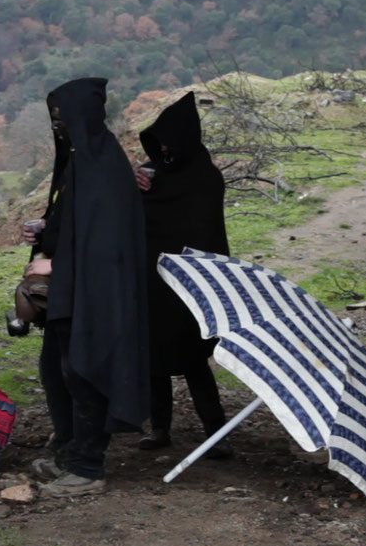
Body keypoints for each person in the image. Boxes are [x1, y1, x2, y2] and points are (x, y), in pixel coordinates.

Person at [22, 78, 149, 497]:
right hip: (71, 291)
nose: (58, 128)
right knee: (57, 372)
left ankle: (87, 465)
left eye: (63, 119)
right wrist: (47, 228)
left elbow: (106, 241)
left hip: (94, 294)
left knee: (83, 371)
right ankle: (68, 451)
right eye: (54, 120)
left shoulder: (104, 168)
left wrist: (56, 262)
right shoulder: (81, 162)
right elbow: (79, 221)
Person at [135, 92, 232, 457]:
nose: (162, 149)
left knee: (194, 362)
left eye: (167, 141)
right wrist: (138, 188)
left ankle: (217, 431)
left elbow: (203, 230)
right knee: (154, 360)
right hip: (154, 279)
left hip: (193, 285)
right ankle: (159, 428)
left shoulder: (204, 177)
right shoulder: (154, 174)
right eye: (157, 143)